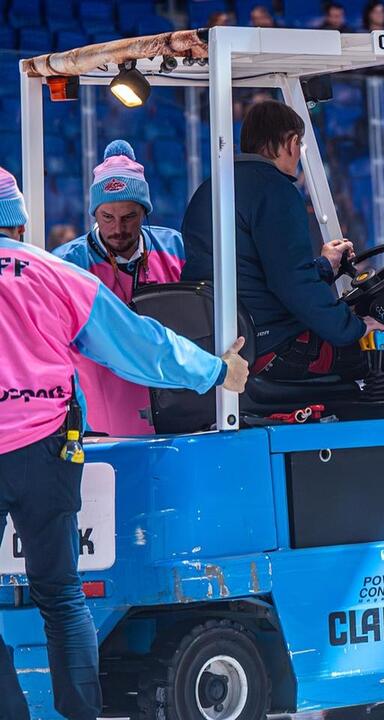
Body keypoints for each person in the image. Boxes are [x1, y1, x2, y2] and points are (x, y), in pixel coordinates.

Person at [0, 166, 248, 720]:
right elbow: (138, 342)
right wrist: (212, 370)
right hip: (48, 450)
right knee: (62, 597)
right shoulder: (51, 270)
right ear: (17, 224)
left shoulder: (67, 263)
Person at [182, 100, 384, 382]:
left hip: (235, 343)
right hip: (276, 350)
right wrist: (355, 328)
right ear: (291, 142)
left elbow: (262, 272)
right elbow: (292, 284)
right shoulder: (274, 190)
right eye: (299, 146)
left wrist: (324, 266)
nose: (298, 154)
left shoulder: (209, 190)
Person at [53, 140, 186, 436]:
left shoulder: (177, 249)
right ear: (94, 214)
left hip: (175, 423)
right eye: (107, 218)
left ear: (145, 211)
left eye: (129, 217)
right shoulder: (65, 266)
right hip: (97, 431)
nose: (118, 229)